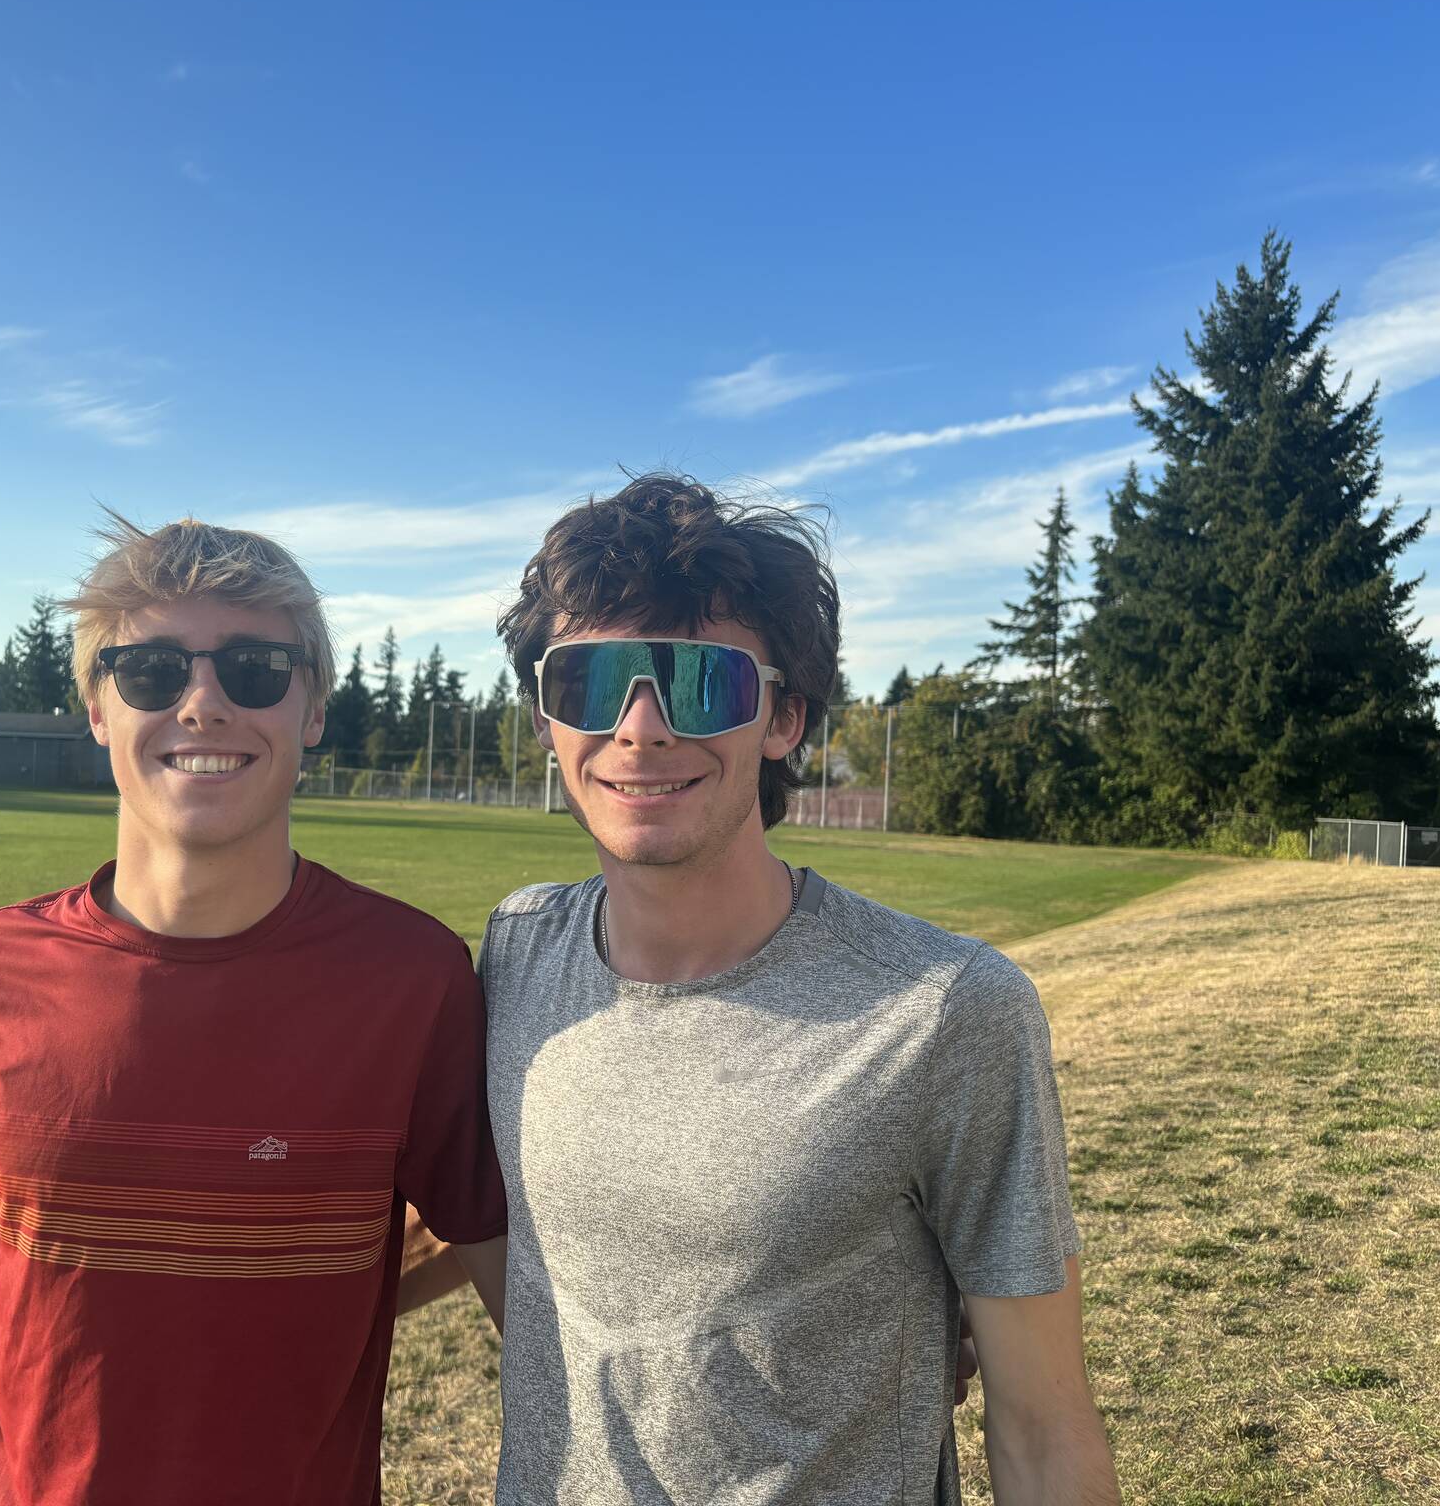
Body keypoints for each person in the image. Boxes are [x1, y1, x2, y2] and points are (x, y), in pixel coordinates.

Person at [462, 473, 1118, 1503]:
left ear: (783, 719)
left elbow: (1041, 1425)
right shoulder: (515, 955)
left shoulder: (944, 1007)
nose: (638, 728)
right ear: (546, 721)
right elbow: (494, 1229)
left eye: (701, 684)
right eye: (589, 683)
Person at [0, 515, 507, 1506]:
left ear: (312, 708)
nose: (203, 704)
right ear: (95, 707)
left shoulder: (415, 978)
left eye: (254, 668)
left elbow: (506, 1274)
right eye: (152, 672)